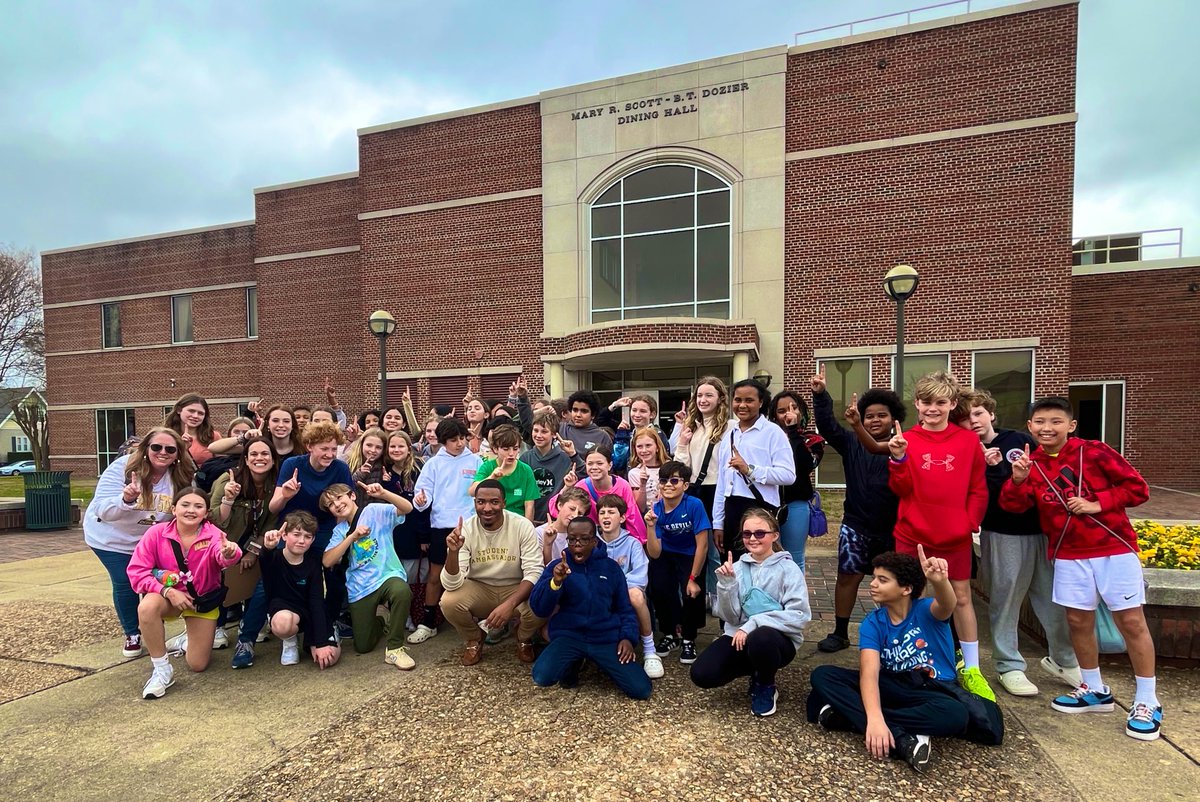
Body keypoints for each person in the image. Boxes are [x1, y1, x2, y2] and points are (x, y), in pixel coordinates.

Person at [1000, 396, 1161, 741]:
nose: (1047, 428)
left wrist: (1097, 503)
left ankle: (1148, 700)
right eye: (1040, 422)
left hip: (1113, 548)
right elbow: (1013, 506)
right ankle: (1094, 688)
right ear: (1030, 427)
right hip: (1068, 554)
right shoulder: (1031, 463)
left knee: (1131, 622)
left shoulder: (1095, 451)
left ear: (1071, 425)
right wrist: (1017, 480)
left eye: (1056, 421)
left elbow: (1137, 489)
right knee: (1077, 621)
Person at [807, 550, 1002, 773]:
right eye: (874, 578)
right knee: (823, 675)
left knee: (955, 715)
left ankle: (848, 717)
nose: (873, 584)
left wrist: (940, 582)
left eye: (883, 580)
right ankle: (901, 738)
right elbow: (869, 673)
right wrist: (874, 718)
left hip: (933, 689)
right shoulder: (873, 622)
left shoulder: (927, 611)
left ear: (906, 589)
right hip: (894, 684)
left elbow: (948, 603)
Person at [965, 390, 1080, 697]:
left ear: (991, 414)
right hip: (1002, 533)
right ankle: (1009, 665)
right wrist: (985, 465)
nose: (973, 421)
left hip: (1042, 531)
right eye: (966, 417)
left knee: (1054, 600)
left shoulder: (1018, 440)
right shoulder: (963, 449)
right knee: (1005, 600)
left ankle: (1065, 659)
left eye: (978, 413)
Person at [887, 371, 993, 701]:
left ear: (952, 404)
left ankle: (972, 668)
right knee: (908, 596)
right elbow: (900, 488)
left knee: (961, 598)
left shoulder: (967, 441)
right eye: (926, 402)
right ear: (917, 404)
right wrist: (898, 458)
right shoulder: (906, 440)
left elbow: (978, 489)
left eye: (941, 402)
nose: (933, 408)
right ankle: (908, 658)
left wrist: (969, 522)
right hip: (912, 533)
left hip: (954, 535)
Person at [237, 421, 353, 669]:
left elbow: (343, 508)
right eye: (324, 449)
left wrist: (338, 538)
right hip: (292, 531)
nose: (330, 454)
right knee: (269, 582)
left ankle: (327, 625)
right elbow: (273, 507)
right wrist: (285, 495)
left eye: (334, 449)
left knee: (333, 575)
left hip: (324, 531)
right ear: (310, 446)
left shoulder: (340, 468)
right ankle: (246, 639)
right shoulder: (292, 465)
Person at [810, 370, 903, 653]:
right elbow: (828, 427)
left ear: (894, 418)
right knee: (847, 577)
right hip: (855, 524)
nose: (875, 420)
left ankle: (893, 633)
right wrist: (820, 396)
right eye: (869, 415)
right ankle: (840, 632)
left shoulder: (902, 446)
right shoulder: (851, 441)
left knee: (891, 582)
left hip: (892, 528)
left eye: (882, 415)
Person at [84, 427, 194, 658]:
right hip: (110, 538)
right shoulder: (123, 469)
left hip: (150, 542)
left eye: (170, 449)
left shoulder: (181, 476)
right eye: (156, 447)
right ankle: (132, 633)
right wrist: (126, 498)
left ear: (177, 454)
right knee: (126, 581)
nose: (163, 452)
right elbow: (103, 510)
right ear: (146, 449)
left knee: (154, 581)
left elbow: (187, 508)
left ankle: (151, 624)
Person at [691, 509, 811, 717]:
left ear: (775, 535)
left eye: (760, 533)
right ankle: (757, 668)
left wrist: (753, 623)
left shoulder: (789, 569)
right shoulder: (737, 567)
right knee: (702, 674)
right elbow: (730, 617)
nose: (753, 538)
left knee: (761, 637)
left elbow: (800, 615)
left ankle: (765, 684)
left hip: (777, 640)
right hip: (739, 636)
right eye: (747, 534)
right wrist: (726, 584)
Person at [127, 488, 242, 699]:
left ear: (206, 513)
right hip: (168, 598)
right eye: (185, 505)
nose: (191, 510)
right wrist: (167, 591)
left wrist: (230, 553)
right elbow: (137, 572)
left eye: (198, 506)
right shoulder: (156, 533)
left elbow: (224, 555)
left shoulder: (213, 534)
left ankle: (185, 640)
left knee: (198, 664)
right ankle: (162, 670)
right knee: (147, 607)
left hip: (202, 601)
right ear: (174, 509)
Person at [529, 517, 652, 700]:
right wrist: (555, 582)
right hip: (570, 636)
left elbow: (624, 609)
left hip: (604, 638)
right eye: (572, 539)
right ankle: (574, 661)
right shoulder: (558, 566)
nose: (577, 544)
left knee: (641, 690)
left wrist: (627, 638)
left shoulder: (611, 568)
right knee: (542, 677)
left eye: (584, 539)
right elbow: (539, 608)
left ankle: (599, 662)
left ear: (594, 541)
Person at [438, 481, 545, 666]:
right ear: (475, 503)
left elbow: (534, 571)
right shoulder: (466, 529)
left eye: (494, 502)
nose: (487, 508)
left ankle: (523, 637)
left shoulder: (522, 525)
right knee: (449, 602)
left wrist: (510, 604)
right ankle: (474, 638)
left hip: (515, 587)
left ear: (504, 503)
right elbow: (451, 584)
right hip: (480, 587)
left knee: (543, 602)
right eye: (481, 502)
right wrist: (453, 553)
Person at [322, 481, 417, 669]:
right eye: (331, 504)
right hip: (360, 586)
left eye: (339, 497)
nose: (337, 504)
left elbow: (407, 508)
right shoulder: (339, 531)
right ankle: (382, 618)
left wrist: (384, 494)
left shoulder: (373, 511)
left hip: (387, 575)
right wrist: (351, 537)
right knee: (363, 646)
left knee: (401, 591)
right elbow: (327, 561)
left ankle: (395, 648)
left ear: (352, 496)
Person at [198, 436, 279, 652]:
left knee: (258, 572)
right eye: (254, 454)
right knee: (220, 581)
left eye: (265, 454)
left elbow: (271, 523)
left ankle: (250, 620)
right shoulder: (228, 479)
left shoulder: (274, 485)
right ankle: (218, 626)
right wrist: (228, 498)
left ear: (273, 459)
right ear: (246, 459)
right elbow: (213, 518)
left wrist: (253, 552)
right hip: (223, 540)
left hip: (253, 541)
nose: (259, 458)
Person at [408, 417, 483, 644]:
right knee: (435, 575)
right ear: (442, 441)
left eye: (462, 438)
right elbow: (422, 494)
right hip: (441, 526)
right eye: (453, 440)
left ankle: (477, 620)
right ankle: (428, 623)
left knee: (474, 573)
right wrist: (421, 500)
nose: (459, 443)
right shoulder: (433, 464)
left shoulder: (476, 461)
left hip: (470, 525)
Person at [711, 379, 796, 560]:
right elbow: (722, 482)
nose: (742, 405)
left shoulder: (773, 432)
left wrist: (750, 470)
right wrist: (718, 523)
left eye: (749, 400)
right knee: (733, 566)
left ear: (761, 402)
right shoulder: (729, 436)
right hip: (732, 510)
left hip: (760, 510)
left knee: (761, 565)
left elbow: (788, 475)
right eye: (738, 400)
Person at [644, 461, 711, 665]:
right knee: (659, 587)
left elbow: (703, 545)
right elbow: (654, 553)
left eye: (674, 480)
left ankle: (689, 638)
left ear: (685, 485)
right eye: (664, 480)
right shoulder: (656, 509)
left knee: (691, 592)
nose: (668, 485)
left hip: (690, 553)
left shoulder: (694, 505)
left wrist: (693, 577)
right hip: (666, 553)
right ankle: (670, 633)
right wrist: (650, 527)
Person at [258, 511, 340, 669]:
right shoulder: (274, 558)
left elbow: (316, 601)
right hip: (284, 610)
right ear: (284, 535)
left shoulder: (313, 563)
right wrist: (267, 547)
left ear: (313, 540)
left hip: (309, 612)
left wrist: (321, 643)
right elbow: (265, 558)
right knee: (283, 623)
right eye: (296, 534)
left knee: (328, 658)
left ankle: (328, 634)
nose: (302, 541)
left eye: (308, 537)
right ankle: (289, 641)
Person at [595, 494, 661, 678]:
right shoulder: (592, 543)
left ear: (622, 517)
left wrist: (615, 589)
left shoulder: (633, 543)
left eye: (611, 512)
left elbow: (640, 576)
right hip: (599, 594)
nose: (606, 516)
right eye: (602, 513)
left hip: (625, 592)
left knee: (636, 596)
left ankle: (649, 650)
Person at [767, 390, 823, 572]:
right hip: (768, 504)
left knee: (794, 557)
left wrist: (793, 433)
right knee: (769, 556)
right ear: (774, 415)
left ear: (802, 411)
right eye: (781, 411)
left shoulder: (812, 440)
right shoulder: (766, 437)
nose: (788, 414)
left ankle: (796, 591)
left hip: (796, 505)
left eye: (793, 408)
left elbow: (805, 465)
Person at [558, 444, 646, 543]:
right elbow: (557, 509)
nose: (594, 467)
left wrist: (638, 543)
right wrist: (567, 487)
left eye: (599, 463)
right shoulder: (581, 486)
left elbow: (632, 517)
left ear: (610, 465)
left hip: (617, 538)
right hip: (589, 540)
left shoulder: (623, 486)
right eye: (590, 464)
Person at [521, 409, 584, 525]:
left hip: (555, 521)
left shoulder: (565, 458)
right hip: (528, 520)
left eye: (544, 431)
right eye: (535, 430)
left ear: (554, 434)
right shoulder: (525, 458)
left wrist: (573, 454)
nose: (538, 435)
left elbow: (585, 474)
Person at [469, 423, 540, 520]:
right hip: (492, 520)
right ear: (495, 449)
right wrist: (492, 478)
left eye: (515, 449)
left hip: (518, 521)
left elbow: (529, 505)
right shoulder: (487, 467)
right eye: (506, 449)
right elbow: (472, 492)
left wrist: (528, 526)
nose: (511, 453)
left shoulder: (526, 470)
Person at [164, 393, 221, 468]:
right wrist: (182, 449)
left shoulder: (212, 436)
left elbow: (222, 464)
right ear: (179, 410)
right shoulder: (166, 436)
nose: (195, 416)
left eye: (200, 413)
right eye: (191, 411)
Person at [538, 486, 592, 564]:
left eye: (580, 513)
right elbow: (540, 568)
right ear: (560, 505)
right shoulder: (539, 533)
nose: (575, 515)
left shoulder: (582, 537)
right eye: (572, 509)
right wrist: (547, 545)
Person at [626, 427, 669, 515]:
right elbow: (640, 508)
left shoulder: (669, 467)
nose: (644, 450)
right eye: (639, 446)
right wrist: (642, 485)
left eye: (648, 445)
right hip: (647, 516)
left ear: (657, 447)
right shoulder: (634, 473)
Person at [559, 390, 612, 455]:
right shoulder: (561, 428)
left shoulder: (602, 436)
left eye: (584, 411)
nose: (578, 415)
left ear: (593, 415)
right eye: (575, 410)